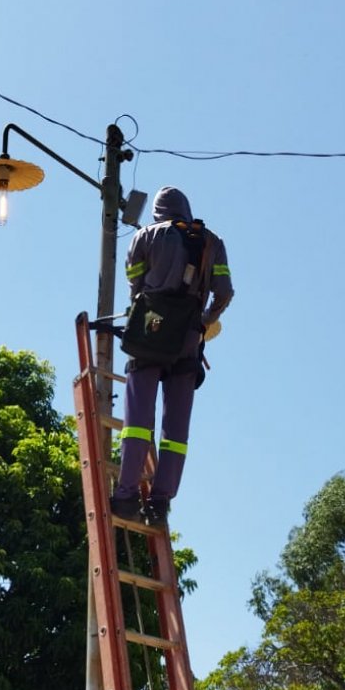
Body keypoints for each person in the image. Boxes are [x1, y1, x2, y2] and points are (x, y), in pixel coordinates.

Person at [111, 185, 233, 525]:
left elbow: (134, 284)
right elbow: (224, 292)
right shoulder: (213, 241)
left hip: (150, 330)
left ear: (157, 211)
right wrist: (205, 321)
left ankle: (126, 496)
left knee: (137, 422)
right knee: (176, 431)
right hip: (189, 340)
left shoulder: (146, 236)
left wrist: (147, 306)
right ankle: (161, 503)